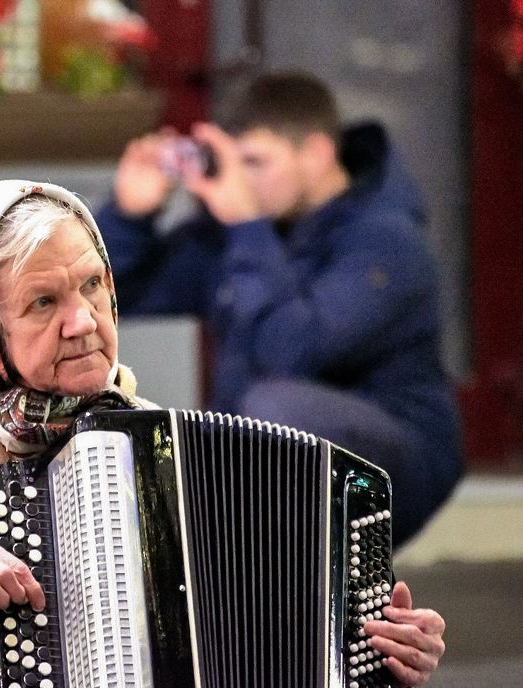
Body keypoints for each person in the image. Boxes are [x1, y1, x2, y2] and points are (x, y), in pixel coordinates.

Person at [0, 180, 445, 688]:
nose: (83, 321)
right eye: (43, 302)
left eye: (93, 287)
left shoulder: (151, 440)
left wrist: (368, 660)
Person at [95, 72, 464, 547]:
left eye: (256, 161)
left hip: (395, 460)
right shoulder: (244, 230)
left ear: (315, 153)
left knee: (269, 410)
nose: (242, 181)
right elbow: (113, 299)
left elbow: (290, 350)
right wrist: (131, 214)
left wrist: (247, 227)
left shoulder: (387, 241)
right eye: (233, 162)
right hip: (274, 457)